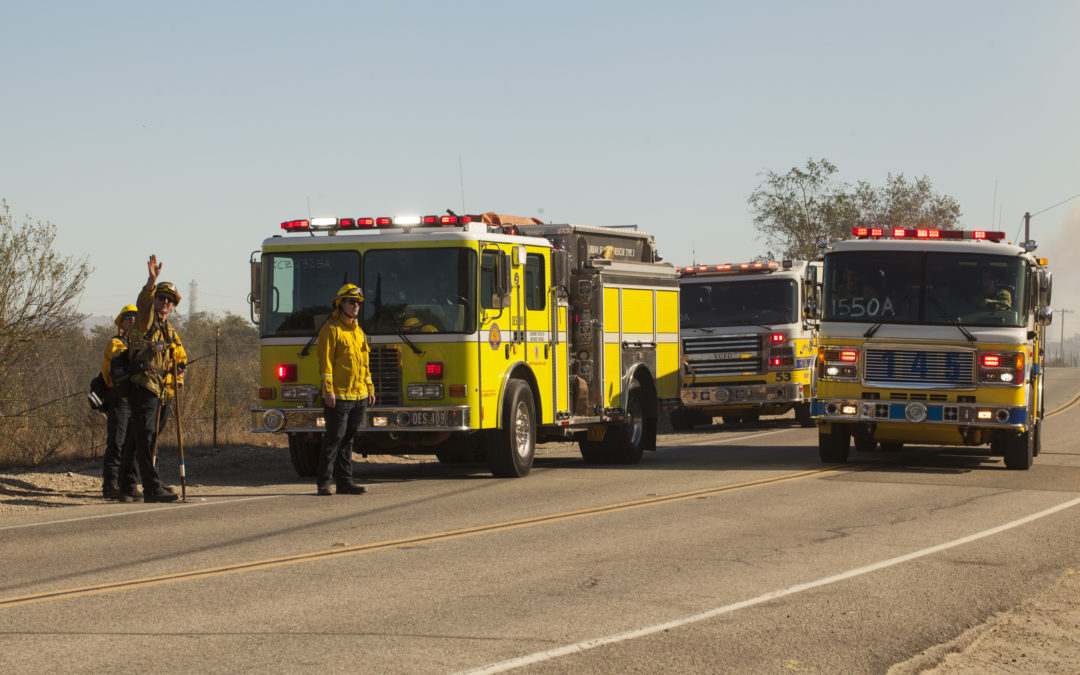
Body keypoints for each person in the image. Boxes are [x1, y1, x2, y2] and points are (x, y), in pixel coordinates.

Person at [118, 255, 185, 503]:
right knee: (146, 437)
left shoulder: (168, 329)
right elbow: (143, 304)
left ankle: (127, 484)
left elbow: (173, 357)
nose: (165, 302)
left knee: (139, 436)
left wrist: (177, 370)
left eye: (170, 300)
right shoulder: (147, 319)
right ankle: (151, 487)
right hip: (143, 383)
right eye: (161, 297)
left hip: (159, 388)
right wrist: (150, 283)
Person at [316, 283, 375, 496]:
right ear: (340, 304)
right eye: (352, 302)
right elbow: (326, 364)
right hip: (338, 395)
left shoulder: (359, 332)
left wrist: (369, 387)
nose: (356, 306)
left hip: (359, 395)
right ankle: (324, 482)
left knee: (348, 440)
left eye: (358, 302)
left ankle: (345, 482)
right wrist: (328, 390)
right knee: (334, 438)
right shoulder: (331, 329)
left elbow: (364, 364)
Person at [101, 305, 139, 499]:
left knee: (133, 445)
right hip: (120, 399)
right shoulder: (117, 344)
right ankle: (110, 484)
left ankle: (127, 484)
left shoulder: (141, 343)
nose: (132, 319)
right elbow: (117, 367)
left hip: (137, 400)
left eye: (135, 316)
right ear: (121, 322)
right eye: (128, 316)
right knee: (117, 442)